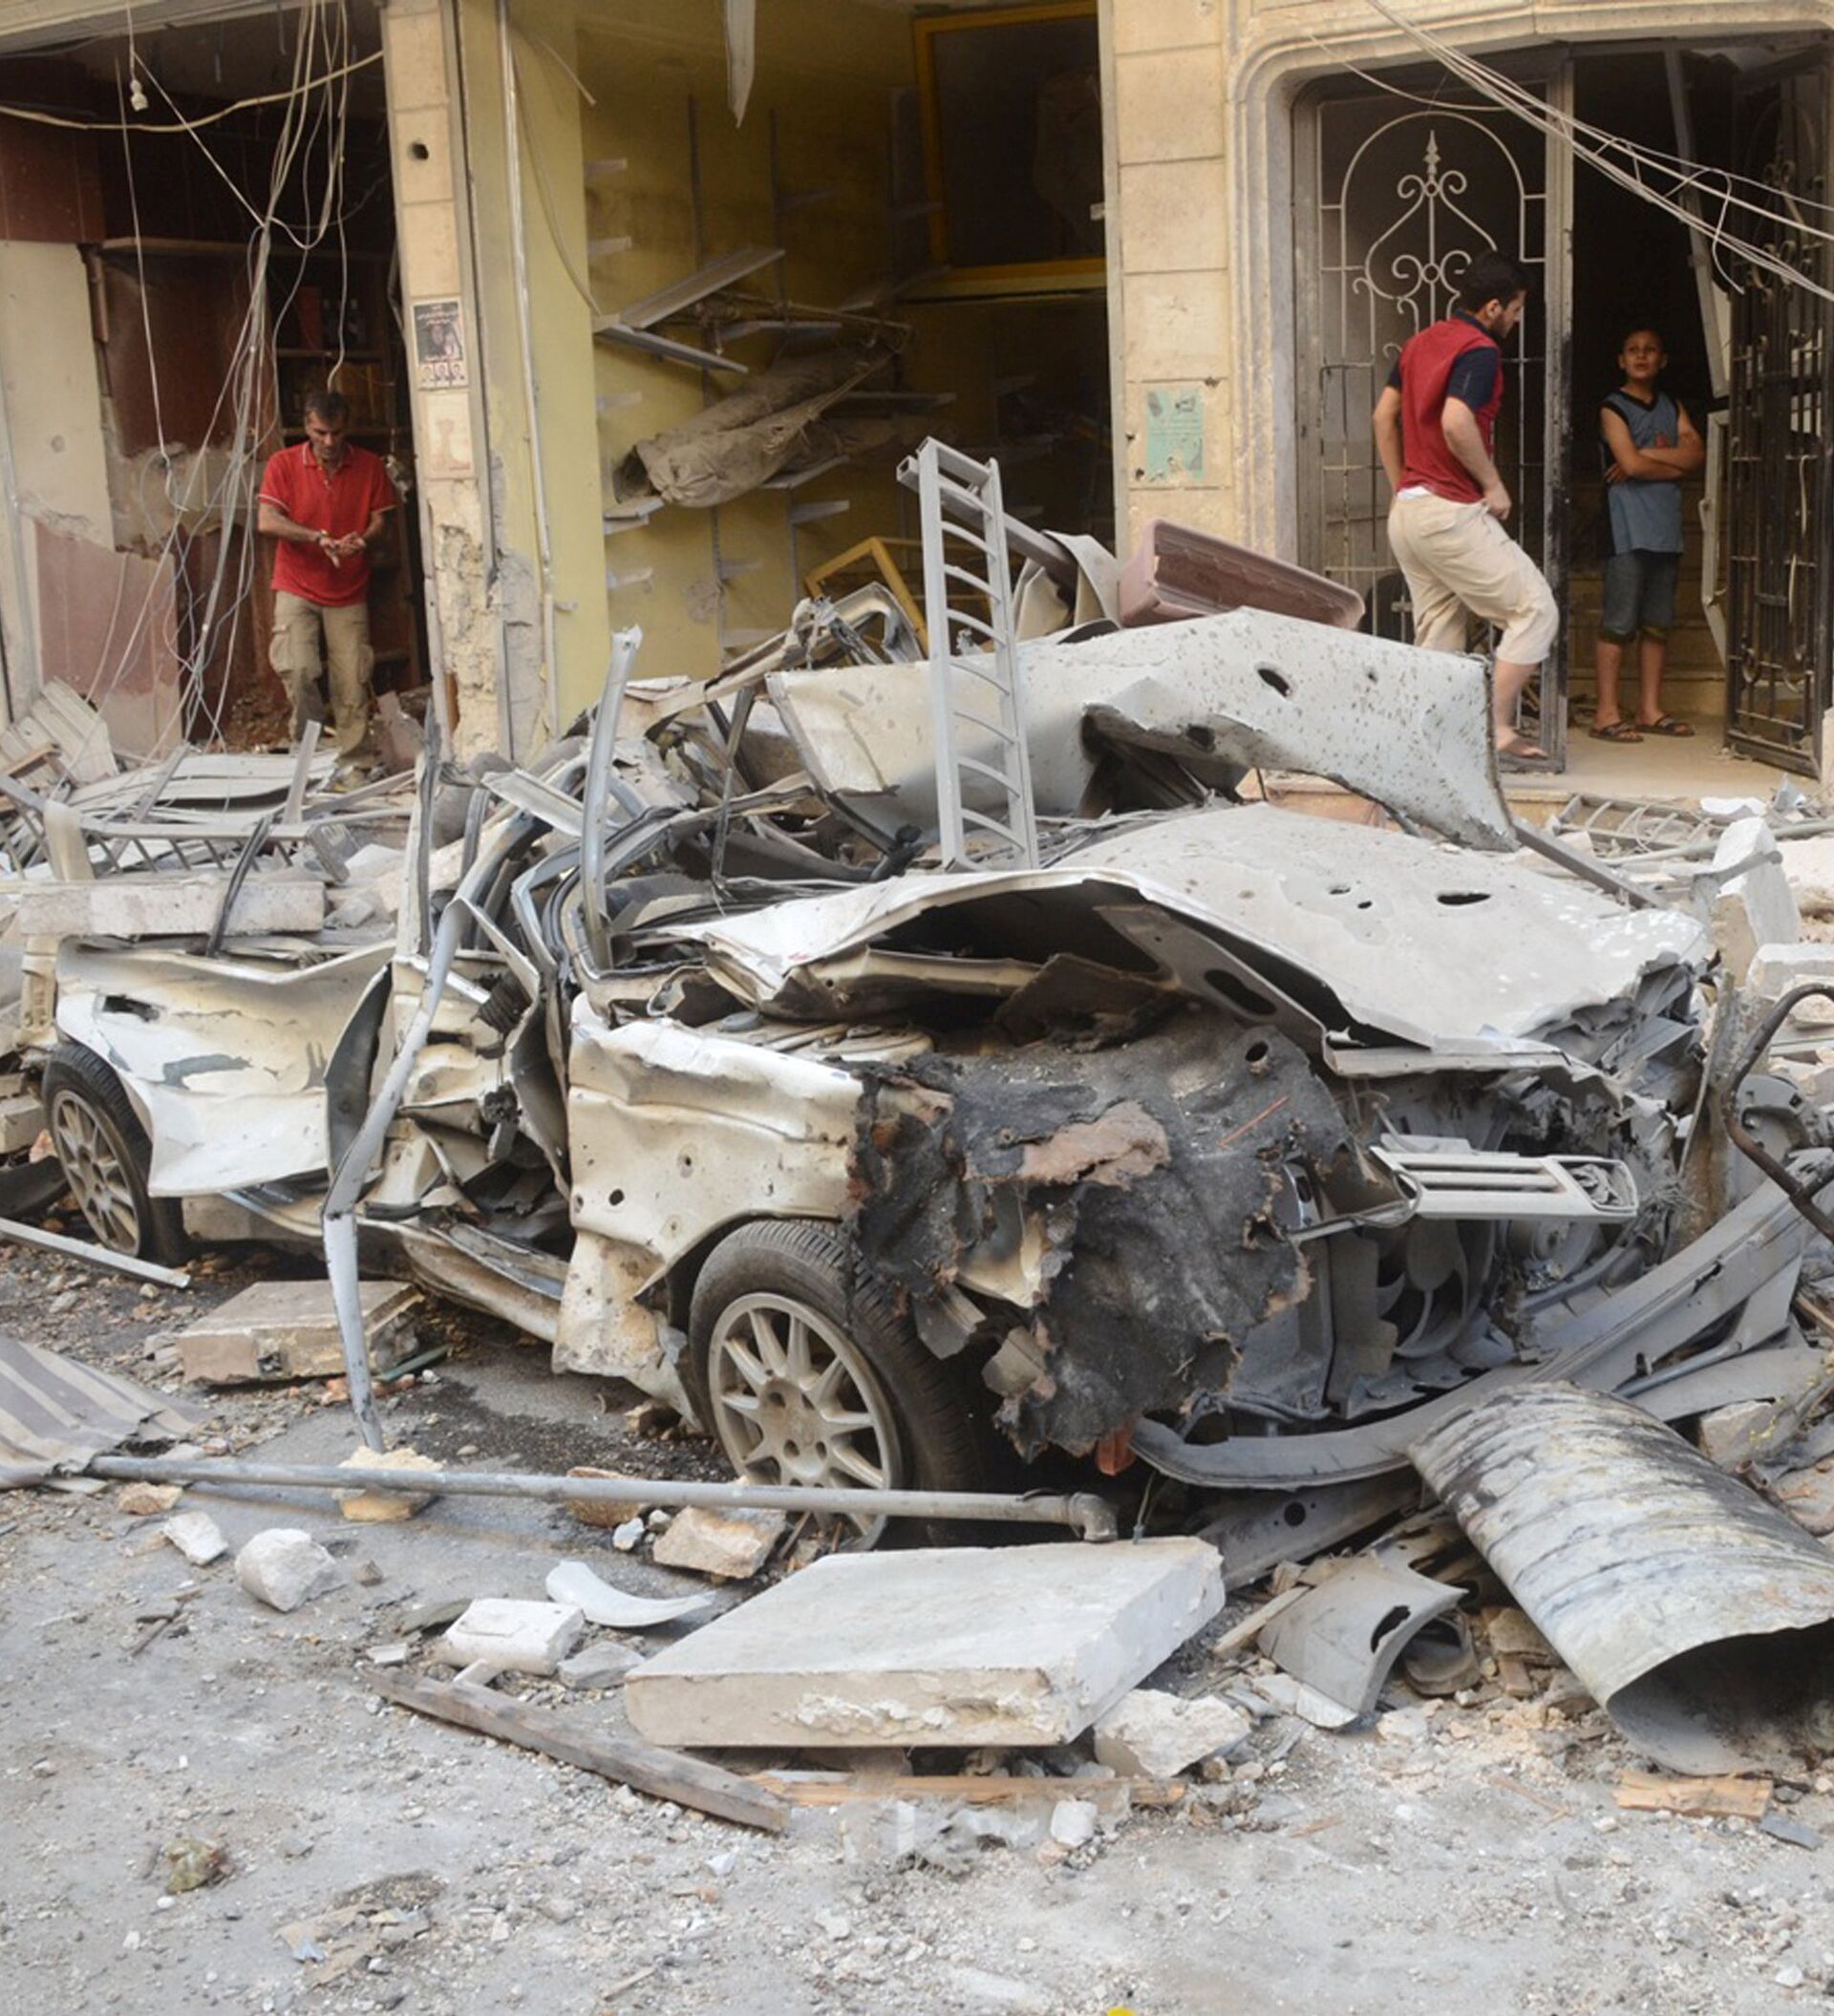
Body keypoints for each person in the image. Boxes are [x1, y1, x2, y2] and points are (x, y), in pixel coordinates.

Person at [1373, 250, 1559, 767]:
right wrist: (1493, 485)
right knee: (1535, 609)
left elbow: (1383, 416)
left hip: (1409, 514)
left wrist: (1402, 486)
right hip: (1450, 510)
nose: (1517, 321)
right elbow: (1457, 421)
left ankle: (1423, 755)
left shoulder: (1418, 343)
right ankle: (1492, 728)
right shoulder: (1479, 349)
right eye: (1516, 310)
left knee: (1440, 634)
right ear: (1494, 307)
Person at [256, 390, 398, 759]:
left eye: (336, 433)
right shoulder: (283, 464)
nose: (329, 442)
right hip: (296, 584)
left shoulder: (369, 466)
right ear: (306, 427)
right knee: (299, 669)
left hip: (348, 589)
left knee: (352, 679)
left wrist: (362, 540)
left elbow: (381, 521)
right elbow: (267, 521)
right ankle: (308, 752)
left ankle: (353, 762)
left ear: (346, 428)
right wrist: (316, 538)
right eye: (320, 433)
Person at [1589, 327, 1704, 741]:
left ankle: (1649, 710)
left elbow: (1697, 455)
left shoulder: (1671, 405)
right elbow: (1632, 466)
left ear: (1662, 360)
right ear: (1621, 360)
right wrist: (1665, 462)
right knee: (1619, 622)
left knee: (1657, 624)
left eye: (1650, 350)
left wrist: (1645, 455)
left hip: (1665, 528)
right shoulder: (1612, 407)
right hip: (1626, 527)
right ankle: (1605, 714)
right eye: (1633, 350)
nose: (1641, 356)